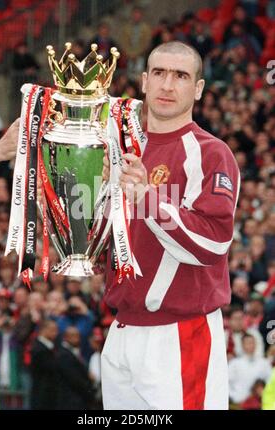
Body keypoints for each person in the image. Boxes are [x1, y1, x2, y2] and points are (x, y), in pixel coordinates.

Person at [101, 41, 240, 410]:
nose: (167, 85)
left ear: (197, 89)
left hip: (181, 334)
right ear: (144, 81)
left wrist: (148, 198)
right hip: (120, 331)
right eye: (159, 73)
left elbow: (212, 243)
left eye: (180, 76)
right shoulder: (120, 150)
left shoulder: (211, 153)